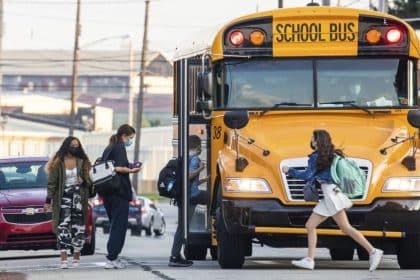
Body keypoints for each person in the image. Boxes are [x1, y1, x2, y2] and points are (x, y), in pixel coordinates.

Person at [282, 130, 383, 271]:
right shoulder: (332, 155)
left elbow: (307, 175)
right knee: (311, 225)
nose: (311, 140)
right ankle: (309, 260)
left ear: (317, 141)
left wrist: (289, 170)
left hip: (330, 195)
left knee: (345, 227)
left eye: (313, 138)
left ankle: (373, 251)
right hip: (332, 193)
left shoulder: (316, 157)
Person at [44, 136, 93, 269]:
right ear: (66, 146)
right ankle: (64, 259)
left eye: (77, 146)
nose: (75, 148)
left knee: (79, 228)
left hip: (79, 198)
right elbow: (52, 183)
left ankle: (76, 256)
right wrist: (48, 200)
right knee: (63, 227)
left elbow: (90, 181)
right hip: (63, 198)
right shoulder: (58, 162)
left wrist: (83, 181)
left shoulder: (83, 161)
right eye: (72, 145)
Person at [101, 124, 141, 269]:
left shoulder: (110, 147)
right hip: (118, 192)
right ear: (124, 135)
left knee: (115, 225)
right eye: (130, 138)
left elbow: (113, 165)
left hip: (108, 193)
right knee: (119, 226)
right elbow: (118, 167)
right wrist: (132, 170)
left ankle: (113, 256)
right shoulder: (119, 147)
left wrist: (129, 165)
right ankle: (112, 258)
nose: (130, 141)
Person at [168, 134, 209, 267]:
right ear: (197, 147)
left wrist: (204, 179)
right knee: (182, 227)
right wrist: (200, 169)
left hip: (184, 195)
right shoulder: (195, 158)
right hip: (191, 197)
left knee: (181, 226)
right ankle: (174, 256)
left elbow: (190, 181)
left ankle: (175, 255)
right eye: (201, 146)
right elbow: (189, 175)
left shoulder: (184, 157)